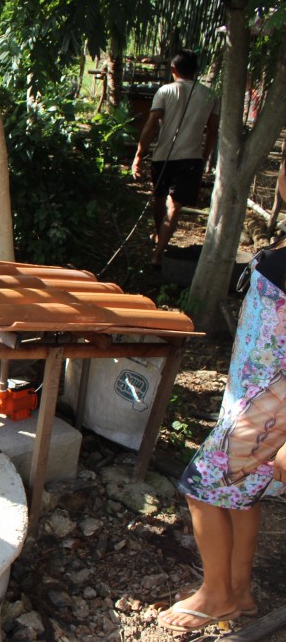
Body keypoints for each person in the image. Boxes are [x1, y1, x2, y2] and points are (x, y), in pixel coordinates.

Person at [157, 173, 286, 633]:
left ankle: (216, 597)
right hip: (252, 400)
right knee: (239, 495)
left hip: (269, 408)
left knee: (201, 485)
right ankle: (239, 590)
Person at [132, 49, 219, 268]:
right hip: (191, 159)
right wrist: (205, 156)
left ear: (173, 69)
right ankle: (161, 240)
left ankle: (158, 252)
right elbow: (213, 130)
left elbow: (151, 124)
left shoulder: (164, 91)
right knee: (172, 205)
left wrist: (139, 155)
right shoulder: (209, 95)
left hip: (163, 156)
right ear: (196, 71)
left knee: (162, 200)